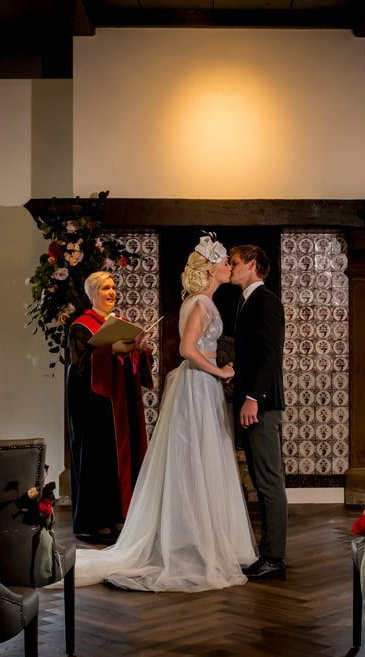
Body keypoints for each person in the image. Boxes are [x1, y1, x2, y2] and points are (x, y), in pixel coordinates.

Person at [71, 234, 258, 592]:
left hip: (201, 388)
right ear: (208, 269)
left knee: (200, 460)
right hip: (198, 385)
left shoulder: (199, 302)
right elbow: (188, 350)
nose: (228, 266)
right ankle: (194, 543)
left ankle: (202, 539)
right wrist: (220, 371)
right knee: (195, 460)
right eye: (223, 262)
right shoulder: (201, 304)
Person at [65, 270, 154, 545]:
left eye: (113, 287)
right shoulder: (81, 326)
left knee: (118, 461)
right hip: (91, 406)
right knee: (95, 461)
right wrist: (112, 349)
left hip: (118, 403)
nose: (111, 292)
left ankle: (119, 515)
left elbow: (133, 367)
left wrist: (140, 349)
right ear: (92, 294)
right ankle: (92, 522)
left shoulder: (120, 323)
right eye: (105, 288)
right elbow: (81, 366)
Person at [229, 243, 288, 580]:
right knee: (261, 481)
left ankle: (275, 558)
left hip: (262, 406)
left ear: (251, 265)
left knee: (268, 482)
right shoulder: (246, 301)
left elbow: (271, 356)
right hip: (252, 403)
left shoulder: (266, 301)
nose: (231, 267)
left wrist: (253, 397)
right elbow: (253, 355)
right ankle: (267, 553)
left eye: (235, 263)